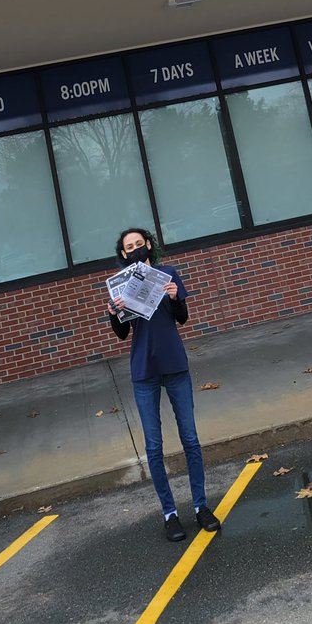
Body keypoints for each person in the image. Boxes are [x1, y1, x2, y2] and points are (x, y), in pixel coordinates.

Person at [107, 228, 221, 542]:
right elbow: (122, 334)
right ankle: (169, 514)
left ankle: (201, 506)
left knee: (190, 439)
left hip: (174, 366)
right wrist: (114, 314)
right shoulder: (120, 286)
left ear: (148, 246)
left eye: (139, 244)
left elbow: (182, 317)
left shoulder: (168, 274)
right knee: (154, 447)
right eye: (128, 247)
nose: (134, 249)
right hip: (144, 370)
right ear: (123, 253)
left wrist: (173, 298)